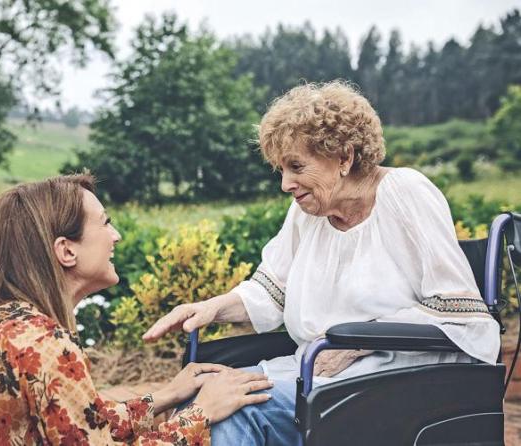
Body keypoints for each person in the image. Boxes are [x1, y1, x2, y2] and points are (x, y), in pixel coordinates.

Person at [143, 81, 501, 444]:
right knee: (199, 398)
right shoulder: (308, 211)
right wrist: (209, 308)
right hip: (320, 371)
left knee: (237, 411)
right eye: (280, 169)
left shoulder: (404, 192)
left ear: (343, 157)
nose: (286, 184)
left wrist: (355, 345)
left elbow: (460, 313)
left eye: (296, 166)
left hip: (394, 378)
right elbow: (271, 292)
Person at [0, 175, 273, 445]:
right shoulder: (40, 341)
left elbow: (82, 427)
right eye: (106, 223)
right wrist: (201, 414)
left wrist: (165, 396)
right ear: (66, 250)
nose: (118, 236)